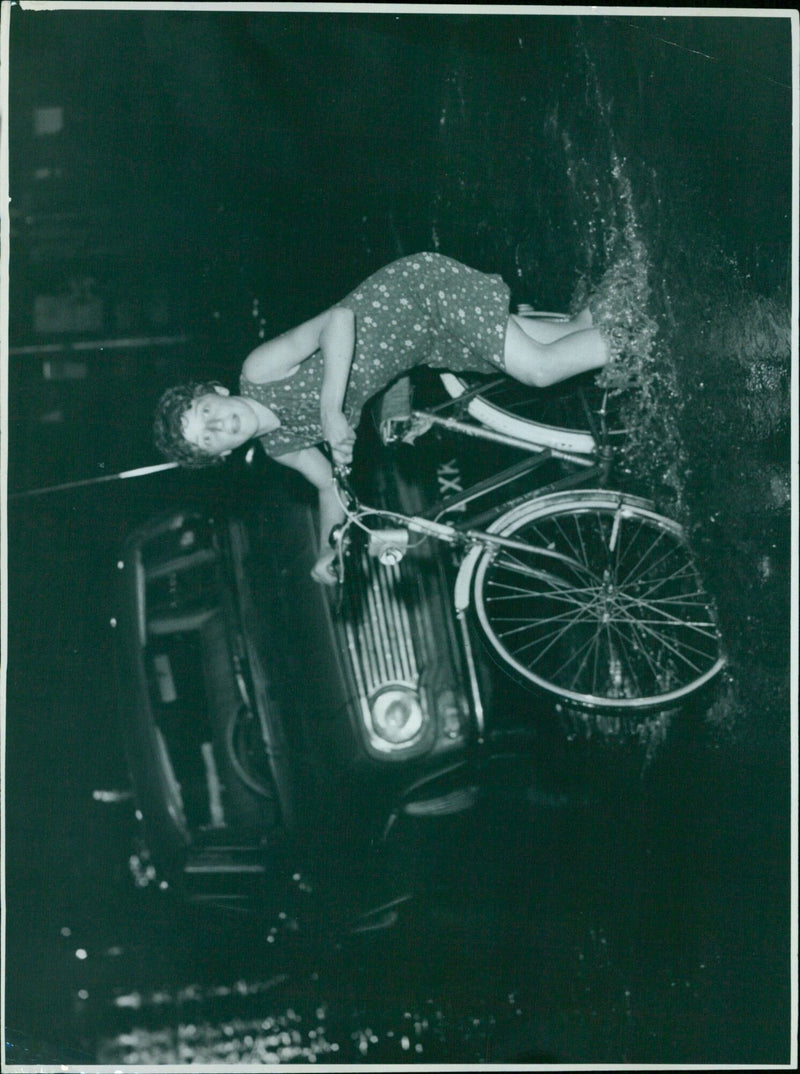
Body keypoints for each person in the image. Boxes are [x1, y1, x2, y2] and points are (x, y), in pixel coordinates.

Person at [154, 252, 612, 584]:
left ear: (215, 392)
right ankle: (628, 289)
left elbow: (338, 321)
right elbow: (328, 485)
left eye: (207, 413)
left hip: (417, 294)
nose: (219, 425)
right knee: (573, 336)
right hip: (426, 345)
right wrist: (326, 549)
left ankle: (658, 334)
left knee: (540, 369)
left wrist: (331, 412)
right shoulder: (281, 448)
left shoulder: (259, 371)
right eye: (209, 438)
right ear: (226, 453)